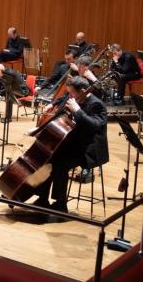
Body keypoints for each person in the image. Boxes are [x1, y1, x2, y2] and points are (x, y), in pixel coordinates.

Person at [32, 77, 108, 210]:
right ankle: (42, 198)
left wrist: (77, 111)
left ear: (83, 91)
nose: (70, 96)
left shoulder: (97, 105)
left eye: (72, 93)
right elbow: (58, 117)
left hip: (87, 148)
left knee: (60, 164)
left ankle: (60, 204)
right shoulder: (75, 98)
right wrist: (39, 129)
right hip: (71, 143)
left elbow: (94, 126)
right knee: (47, 160)